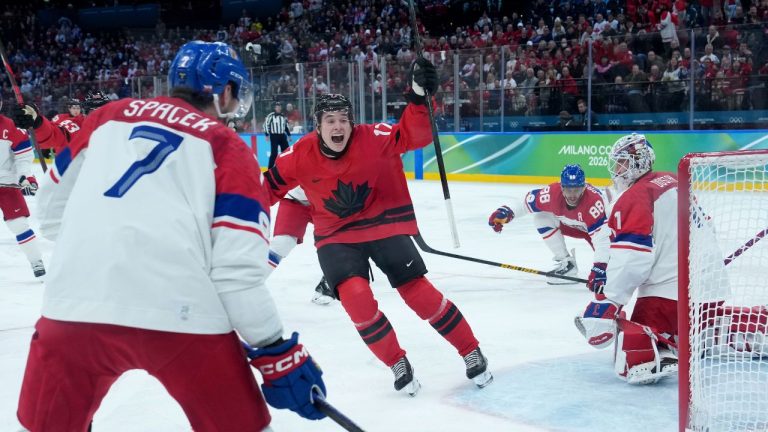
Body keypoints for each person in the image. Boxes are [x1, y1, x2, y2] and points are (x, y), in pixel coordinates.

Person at [18, 41, 325, 431]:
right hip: (183, 315)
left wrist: (106, 251)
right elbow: (235, 274)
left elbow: (47, 213)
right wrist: (273, 347)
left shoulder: (106, 118)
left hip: (73, 306)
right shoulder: (228, 147)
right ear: (224, 90)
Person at [263, 58, 493, 396]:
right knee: (356, 299)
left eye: (344, 120)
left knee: (421, 295)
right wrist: (221, 209)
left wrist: (418, 96)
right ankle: (397, 362)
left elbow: (412, 135)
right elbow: (265, 189)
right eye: (330, 121)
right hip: (336, 237)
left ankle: (470, 349)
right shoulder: (300, 154)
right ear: (318, 126)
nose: (338, 126)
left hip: (384, 225)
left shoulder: (373, 138)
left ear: (352, 123)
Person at [574, 133, 679, 385]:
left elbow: (633, 260)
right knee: (700, 323)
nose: (617, 169)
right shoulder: (672, 180)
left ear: (638, 162)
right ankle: (744, 324)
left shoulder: (634, 197)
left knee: (628, 346)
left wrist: (609, 300)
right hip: (706, 282)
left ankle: (661, 349)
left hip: (669, 292)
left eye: (621, 162)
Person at [488, 164, 609, 285]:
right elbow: (526, 202)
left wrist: (600, 267)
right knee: (542, 218)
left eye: (576, 190)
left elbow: (602, 240)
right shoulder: (552, 194)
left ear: (583, 188)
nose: (572, 195)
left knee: (613, 272)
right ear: (562, 187)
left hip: (603, 231)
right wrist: (506, 211)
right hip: (573, 225)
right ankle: (567, 264)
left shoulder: (593, 203)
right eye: (568, 190)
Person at [0, 98, 45, 277]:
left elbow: (23, 157)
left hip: (6, 183)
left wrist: (25, 177)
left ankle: (36, 262)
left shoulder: (10, 127)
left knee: (20, 224)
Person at [269, 186, 335, 305]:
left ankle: (331, 279)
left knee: (338, 245)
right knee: (282, 243)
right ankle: (246, 285)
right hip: (296, 200)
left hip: (333, 203)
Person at [13, 91, 112, 155]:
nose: (100, 115)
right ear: (86, 112)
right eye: (94, 110)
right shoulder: (75, 124)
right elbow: (55, 135)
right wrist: (37, 123)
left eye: (104, 110)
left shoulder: (119, 127)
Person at [263, 101, 291, 168]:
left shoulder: (283, 116)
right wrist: (267, 135)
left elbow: (286, 126)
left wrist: (289, 135)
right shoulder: (271, 116)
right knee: (274, 153)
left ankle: (285, 167)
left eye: (279, 107)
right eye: (277, 107)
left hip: (282, 135)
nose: (278, 108)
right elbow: (266, 125)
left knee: (286, 151)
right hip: (274, 136)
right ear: (275, 108)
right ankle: (270, 168)